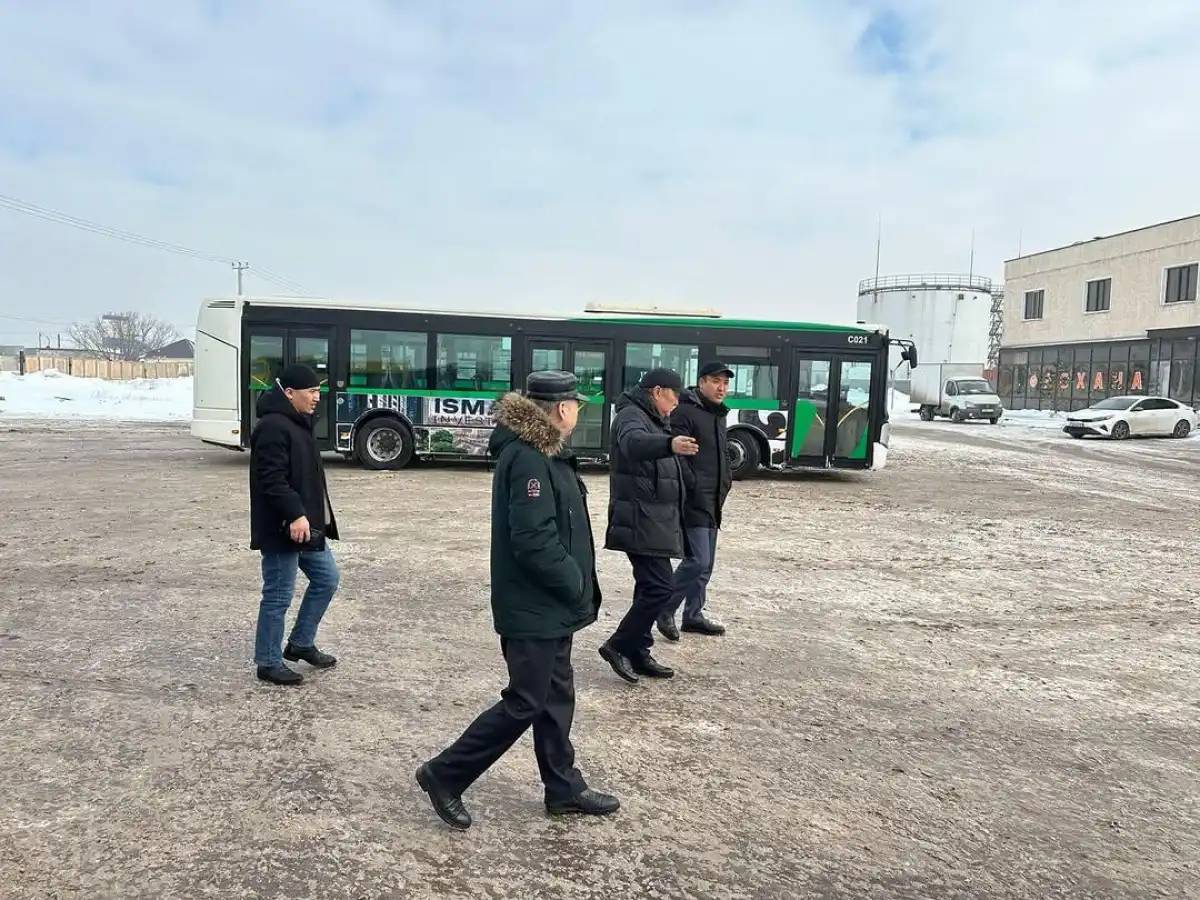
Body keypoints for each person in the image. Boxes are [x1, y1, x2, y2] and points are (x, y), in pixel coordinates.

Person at [416, 371, 619, 830]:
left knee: (555, 695)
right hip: (534, 605)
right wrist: (575, 582)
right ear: (561, 409)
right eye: (577, 405)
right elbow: (533, 540)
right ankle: (444, 774)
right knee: (526, 700)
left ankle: (563, 789)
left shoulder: (546, 453)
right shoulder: (529, 458)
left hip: (550, 607)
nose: (579, 412)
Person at [598, 368, 699, 684]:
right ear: (657, 391)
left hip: (654, 519)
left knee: (648, 587)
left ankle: (639, 651)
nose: (677, 402)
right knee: (660, 588)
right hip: (639, 518)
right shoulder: (631, 415)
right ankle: (618, 645)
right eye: (674, 395)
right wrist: (670, 445)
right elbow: (634, 444)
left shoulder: (654, 417)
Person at [249, 364, 341, 686]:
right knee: (277, 595)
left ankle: (301, 643)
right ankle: (268, 661)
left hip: (306, 527)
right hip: (283, 527)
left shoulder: (298, 422)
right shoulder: (273, 427)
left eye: (318, 391)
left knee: (327, 579)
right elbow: (271, 480)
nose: (317, 398)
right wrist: (294, 514)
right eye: (311, 392)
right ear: (289, 393)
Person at [657, 362, 734, 641]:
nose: (721, 387)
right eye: (716, 381)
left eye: (725, 383)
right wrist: (693, 487)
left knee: (708, 562)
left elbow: (721, 454)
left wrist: (726, 482)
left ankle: (693, 615)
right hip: (693, 500)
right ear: (701, 382)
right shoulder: (686, 412)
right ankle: (665, 608)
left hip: (714, 498)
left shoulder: (718, 415)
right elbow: (678, 456)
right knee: (697, 561)